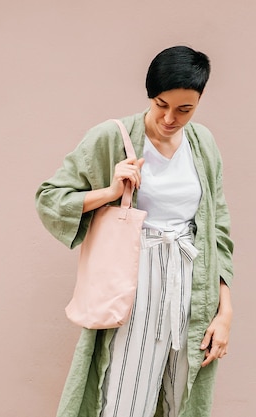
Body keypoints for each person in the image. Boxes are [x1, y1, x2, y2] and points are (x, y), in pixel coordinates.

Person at [35, 45, 235, 417]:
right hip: (134, 284)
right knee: (126, 400)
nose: (170, 118)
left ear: (199, 101)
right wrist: (111, 193)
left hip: (193, 285)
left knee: (182, 400)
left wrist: (224, 312)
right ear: (150, 95)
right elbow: (50, 199)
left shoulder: (203, 144)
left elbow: (217, 228)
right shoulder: (111, 138)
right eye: (161, 104)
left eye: (184, 110)